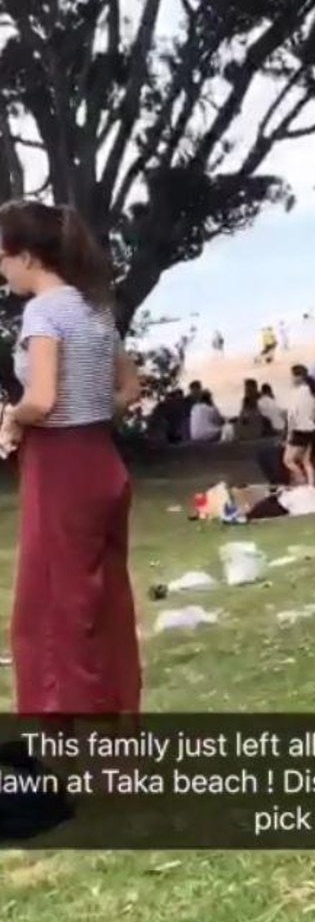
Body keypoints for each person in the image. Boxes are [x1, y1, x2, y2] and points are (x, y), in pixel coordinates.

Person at [0, 200, 142, 723]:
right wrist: (91, 410)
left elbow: (41, 399)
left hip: (59, 469)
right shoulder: (94, 309)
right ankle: (118, 720)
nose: (1, 269)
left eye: (3, 257)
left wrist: (12, 418)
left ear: (28, 257)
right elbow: (130, 387)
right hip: (101, 460)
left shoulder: (43, 313)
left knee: (52, 608)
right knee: (104, 603)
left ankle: (73, 738)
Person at [284, 364, 315, 486]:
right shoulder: (311, 392)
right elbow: (313, 412)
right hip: (311, 429)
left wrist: (289, 434)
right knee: (306, 461)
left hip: (299, 430)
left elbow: (292, 415)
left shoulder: (297, 393)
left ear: (298, 377)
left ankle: (302, 481)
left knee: (288, 460)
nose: (291, 379)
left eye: (292, 376)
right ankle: (311, 486)